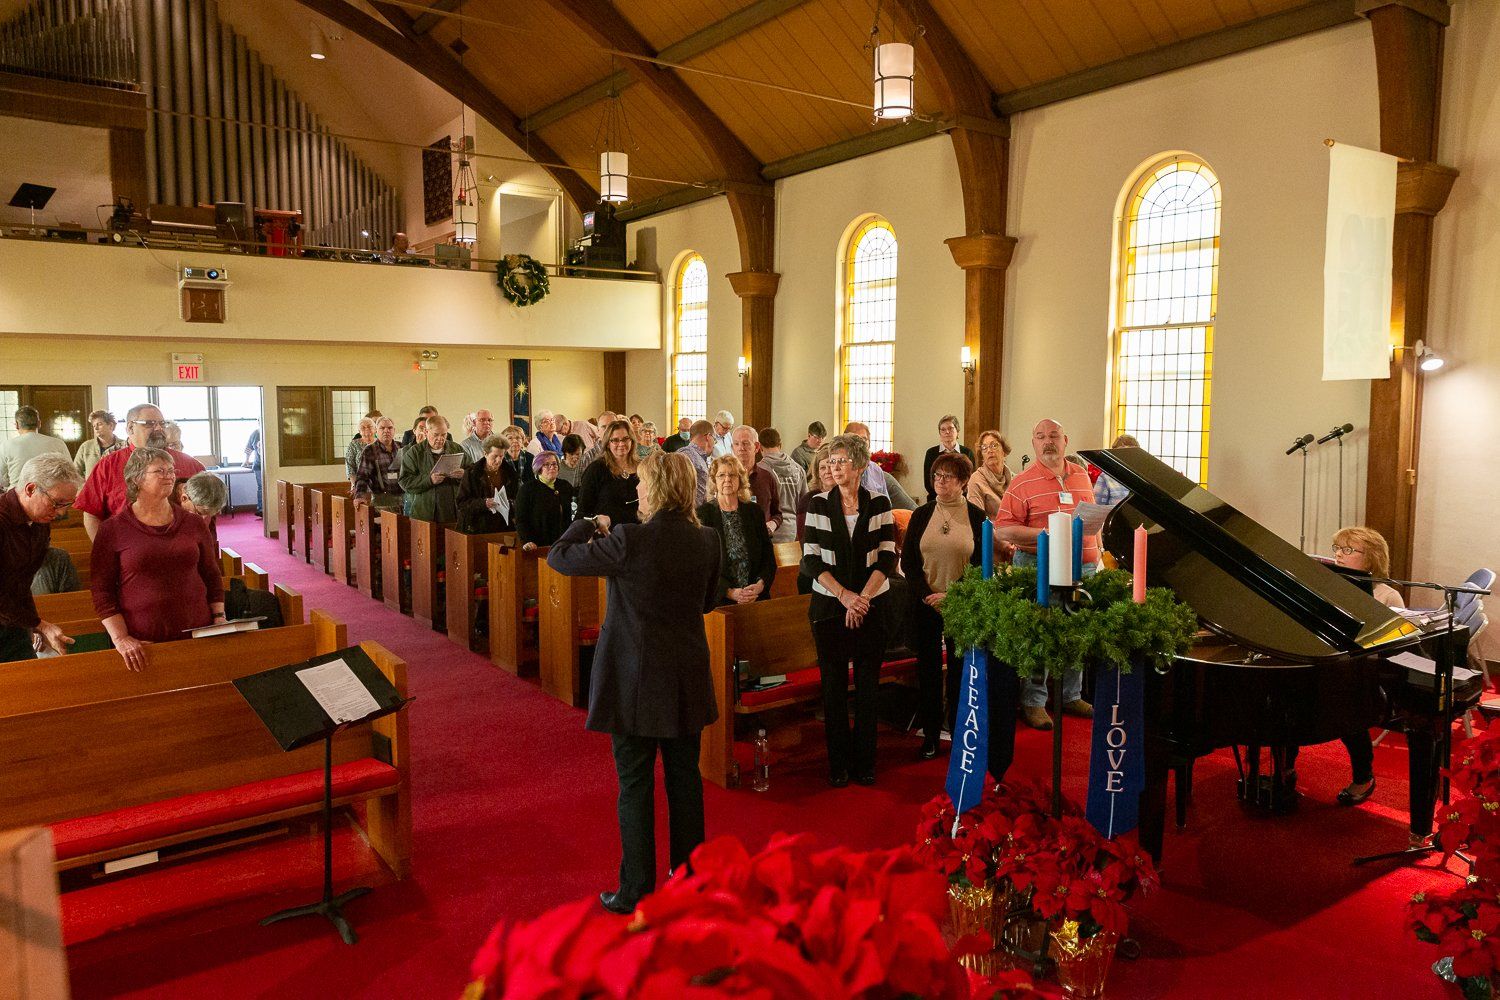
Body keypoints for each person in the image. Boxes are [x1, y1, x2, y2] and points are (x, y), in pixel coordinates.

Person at [546, 451, 720, 915]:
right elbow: (707, 601)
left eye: (642, 484)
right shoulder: (708, 539)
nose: (637, 491)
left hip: (634, 680)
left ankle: (636, 888)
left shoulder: (629, 539)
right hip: (685, 675)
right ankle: (689, 878)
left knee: (636, 783)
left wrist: (586, 522)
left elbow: (559, 558)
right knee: (685, 781)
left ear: (658, 489)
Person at [799, 433, 896, 787]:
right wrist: (844, 597)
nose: (834, 467)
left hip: (871, 604)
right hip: (829, 606)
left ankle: (865, 763)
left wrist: (863, 599)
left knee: (869, 688)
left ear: (859, 465)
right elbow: (810, 559)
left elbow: (887, 555)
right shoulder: (818, 503)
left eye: (841, 461)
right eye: (831, 461)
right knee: (834, 689)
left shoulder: (879, 502)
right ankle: (838, 764)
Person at [996, 419, 1098, 730]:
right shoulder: (1022, 482)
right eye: (1040, 437)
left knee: (1076, 634)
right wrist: (1045, 533)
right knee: (1039, 637)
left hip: (1084, 566)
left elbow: (1091, 517)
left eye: (1053, 436)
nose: (1047, 441)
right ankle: (1035, 701)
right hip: (1040, 568)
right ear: (1033, 443)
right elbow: (1002, 528)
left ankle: (1070, 694)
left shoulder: (1081, 475)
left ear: (1065, 440)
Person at [901, 453, 999, 760]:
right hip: (925, 603)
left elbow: (984, 568)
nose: (940, 482)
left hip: (962, 604)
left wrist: (953, 596)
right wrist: (928, 596)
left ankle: (959, 736)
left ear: (963, 481)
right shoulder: (921, 514)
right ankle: (930, 735)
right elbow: (909, 563)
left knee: (960, 673)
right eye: (936, 477)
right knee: (928, 673)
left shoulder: (977, 517)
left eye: (947, 477)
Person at [91, 448, 225, 670]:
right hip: (144, 643)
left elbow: (210, 573)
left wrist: (219, 617)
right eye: (159, 471)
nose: (170, 475)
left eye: (171, 470)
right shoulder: (112, 529)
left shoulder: (192, 523)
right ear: (136, 478)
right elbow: (101, 590)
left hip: (199, 633)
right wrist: (120, 638)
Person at [74, 403, 205, 540]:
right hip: (127, 549)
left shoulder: (191, 465)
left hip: (181, 547)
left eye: (162, 423)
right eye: (150, 424)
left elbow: (207, 511)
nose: (159, 428)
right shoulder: (108, 466)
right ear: (130, 428)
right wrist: (104, 549)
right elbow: (91, 514)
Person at [1, 454, 83, 661]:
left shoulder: (40, 524)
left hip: (13, 624)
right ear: (30, 489)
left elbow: (22, 583)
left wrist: (34, 625)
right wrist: (39, 624)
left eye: (67, 504)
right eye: (57, 503)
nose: (62, 513)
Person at [697, 455, 776, 606]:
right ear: (714, 480)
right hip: (721, 601)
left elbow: (768, 557)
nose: (727, 479)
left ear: (740, 479)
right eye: (721, 475)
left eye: (732, 475)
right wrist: (730, 592)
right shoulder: (703, 515)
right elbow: (703, 565)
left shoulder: (754, 512)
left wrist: (760, 586)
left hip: (756, 597)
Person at [398, 414, 468, 523]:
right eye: (436, 435)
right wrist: (429, 480)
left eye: (443, 435)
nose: (440, 439)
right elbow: (404, 481)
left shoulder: (456, 448)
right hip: (424, 513)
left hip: (452, 511)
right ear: (426, 432)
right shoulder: (415, 452)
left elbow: (474, 472)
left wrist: (464, 474)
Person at [577, 420, 640, 531]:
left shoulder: (642, 468)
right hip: (607, 537)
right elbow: (583, 510)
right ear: (607, 443)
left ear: (632, 440)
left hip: (636, 534)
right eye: (615, 440)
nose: (621, 444)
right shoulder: (596, 469)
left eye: (625, 439)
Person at [842, 422, 916, 510]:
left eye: (864, 439)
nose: (860, 443)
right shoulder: (839, 468)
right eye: (855, 439)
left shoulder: (876, 470)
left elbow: (886, 506)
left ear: (869, 443)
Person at [0, 405, 70, 490]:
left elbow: (2, 479)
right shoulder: (58, 443)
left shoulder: (6, 445)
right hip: (50, 495)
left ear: (17, 425)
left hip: (17, 495)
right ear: (39, 423)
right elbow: (69, 473)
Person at [456, 434, 515, 534]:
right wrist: (484, 503)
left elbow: (517, 498)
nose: (498, 461)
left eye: (501, 456)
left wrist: (509, 503)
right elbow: (461, 503)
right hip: (478, 527)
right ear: (485, 454)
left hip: (502, 526)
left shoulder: (510, 472)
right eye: (495, 456)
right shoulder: (472, 473)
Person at [516, 451, 575, 550]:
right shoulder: (527, 489)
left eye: (554, 464)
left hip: (564, 544)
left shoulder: (565, 486)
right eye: (546, 465)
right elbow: (521, 520)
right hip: (538, 545)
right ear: (539, 468)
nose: (552, 467)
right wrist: (527, 541)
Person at [729, 426, 781, 536]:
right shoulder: (726, 478)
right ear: (732, 448)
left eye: (746, 443)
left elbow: (777, 513)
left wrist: (772, 524)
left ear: (756, 447)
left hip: (761, 542)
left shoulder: (767, 477)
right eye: (736, 444)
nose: (741, 448)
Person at [758, 428, 808, 544]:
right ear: (780, 445)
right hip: (792, 530)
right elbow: (804, 503)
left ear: (759, 447)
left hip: (769, 529)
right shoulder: (798, 469)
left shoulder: (760, 471)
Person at [354, 416, 405, 512]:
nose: (386, 431)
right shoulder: (370, 450)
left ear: (394, 430)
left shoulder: (401, 447)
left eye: (390, 428)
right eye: (382, 428)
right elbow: (362, 476)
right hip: (381, 502)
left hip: (403, 500)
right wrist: (359, 496)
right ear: (376, 431)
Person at [923, 414, 976, 503]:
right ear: (940, 433)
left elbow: (970, 480)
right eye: (943, 429)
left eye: (950, 428)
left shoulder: (967, 453)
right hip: (936, 500)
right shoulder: (931, 453)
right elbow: (928, 482)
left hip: (961, 500)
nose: (947, 432)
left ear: (957, 431)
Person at [966, 430, 1014, 519]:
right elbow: (977, 519)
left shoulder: (1015, 479)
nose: (989, 451)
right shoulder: (976, 480)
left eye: (994, 445)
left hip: (1016, 529)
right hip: (990, 531)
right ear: (982, 455)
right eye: (984, 448)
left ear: (1004, 451)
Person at [796, 444, 835, 542]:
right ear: (817, 473)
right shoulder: (808, 500)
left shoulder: (847, 498)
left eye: (831, 466)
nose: (827, 471)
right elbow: (804, 539)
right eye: (822, 468)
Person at [73, 409, 125, 479]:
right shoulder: (86, 447)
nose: (96, 428)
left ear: (111, 425)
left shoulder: (124, 446)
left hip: (118, 488)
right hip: (92, 489)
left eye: (99, 424)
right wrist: (85, 485)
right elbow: (75, 472)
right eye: (94, 426)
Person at [1091, 434, 1140, 506]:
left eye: (1130, 453)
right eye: (1122, 453)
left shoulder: (1142, 477)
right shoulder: (1106, 477)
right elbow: (1097, 507)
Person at [681, 420, 716, 506]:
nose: (714, 444)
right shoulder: (686, 455)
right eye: (715, 440)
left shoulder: (699, 456)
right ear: (708, 437)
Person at [346, 418, 377, 483]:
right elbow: (350, 467)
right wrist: (354, 484)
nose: (367, 429)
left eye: (369, 426)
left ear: (375, 429)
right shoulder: (354, 444)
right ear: (359, 431)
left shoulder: (380, 443)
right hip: (360, 483)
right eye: (363, 428)